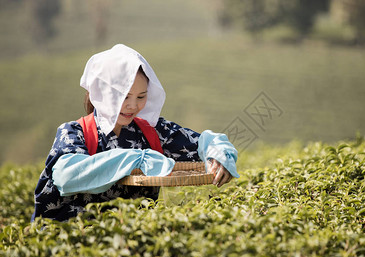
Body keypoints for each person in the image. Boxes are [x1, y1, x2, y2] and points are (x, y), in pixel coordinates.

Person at [32, 44, 239, 222]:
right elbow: (66, 176)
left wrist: (219, 156)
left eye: (141, 96)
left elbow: (205, 142)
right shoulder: (74, 133)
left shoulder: (151, 132)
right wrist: (135, 159)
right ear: (102, 93)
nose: (132, 106)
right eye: (124, 97)